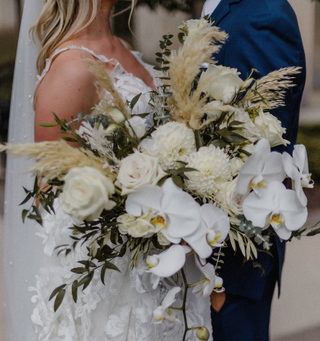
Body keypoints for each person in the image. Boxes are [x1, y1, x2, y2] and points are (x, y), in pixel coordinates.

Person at [3, 1, 212, 340]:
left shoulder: (122, 47)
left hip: (162, 261)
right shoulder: (71, 70)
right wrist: (128, 203)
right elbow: (50, 195)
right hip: (111, 281)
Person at [201, 0, 306, 340]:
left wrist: (224, 280)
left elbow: (262, 144)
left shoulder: (264, 15)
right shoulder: (218, 5)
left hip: (231, 264)